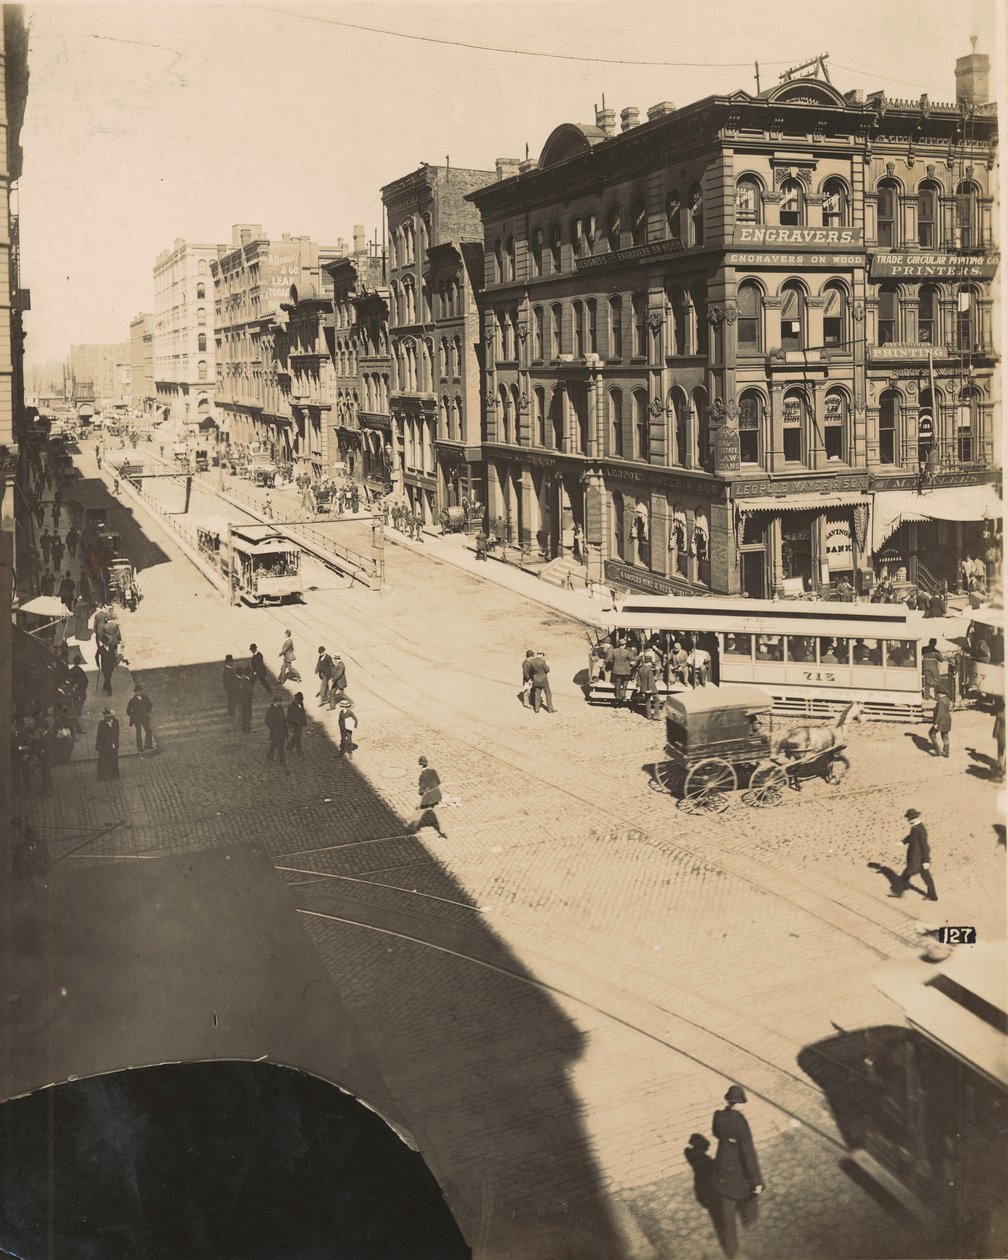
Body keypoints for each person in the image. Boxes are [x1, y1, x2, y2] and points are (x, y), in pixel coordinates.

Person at [712, 1084, 764, 1259]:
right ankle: (749, 1220)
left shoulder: (718, 1116)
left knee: (727, 1216)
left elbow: (716, 1133)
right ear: (740, 1104)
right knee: (750, 1195)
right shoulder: (742, 1124)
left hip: (722, 1170)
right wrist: (757, 1181)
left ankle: (730, 1249)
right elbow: (748, 1154)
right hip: (739, 1173)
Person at [891, 808, 938, 901]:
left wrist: (926, 861)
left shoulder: (920, 830)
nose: (908, 821)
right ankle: (933, 896)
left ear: (915, 818)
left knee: (906, 875)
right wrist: (903, 842)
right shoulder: (915, 827)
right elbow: (911, 837)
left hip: (918, 859)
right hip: (916, 858)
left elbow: (925, 846)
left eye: (910, 819)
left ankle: (899, 892)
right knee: (926, 878)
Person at [406, 756, 447, 838]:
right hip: (436, 795)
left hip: (428, 798)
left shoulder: (422, 775)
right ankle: (443, 831)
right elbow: (438, 782)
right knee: (439, 813)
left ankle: (412, 828)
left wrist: (421, 793)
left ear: (420, 765)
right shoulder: (433, 771)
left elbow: (422, 790)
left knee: (420, 812)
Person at [126, 684, 154, 752]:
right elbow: (128, 710)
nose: (137, 693)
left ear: (141, 691)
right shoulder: (132, 701)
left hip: (144, 717)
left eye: (138, 691)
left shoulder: (145, 698)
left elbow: (150, 705)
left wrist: (148, 711)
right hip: (137, 719)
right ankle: (140, 747)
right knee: (139, 732)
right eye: (136, 691)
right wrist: (133, 716)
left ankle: (148, 745)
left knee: (148, 730)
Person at [635, 650, 661, 721]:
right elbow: (650, 680)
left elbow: (638, 679)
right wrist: (650, 689)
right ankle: (656, 715)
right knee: (657, 700)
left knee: (647, 701)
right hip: (651, 688)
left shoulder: (640, 669)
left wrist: (639, 687)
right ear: (648, 662)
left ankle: (648, 716)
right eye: (650, 662)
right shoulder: (649, 669)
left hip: (643, 688)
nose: (651, 664)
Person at [95, 708, 120, 781]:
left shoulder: (116, 722)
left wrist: (114, 743)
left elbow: (116, 733)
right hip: (104, 745)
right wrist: (98, 746)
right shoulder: (102, 724)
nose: (106, 719)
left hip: (113, 744)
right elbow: (99, 735)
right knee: (103, 760)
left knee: (113, 759)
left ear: (111, 717)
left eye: (108, 717)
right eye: (105, 717)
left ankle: (114, 773)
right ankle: (102, 775)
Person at [929, 687, 953, 759]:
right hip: (947, 720)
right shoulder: (947, 699)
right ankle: (946, 752)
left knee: (931, 734)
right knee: (945, 735)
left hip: (941, 721)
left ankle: (937, 751)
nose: (937, 694)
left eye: (937, 693)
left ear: (940, 693)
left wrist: (936, 723)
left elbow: (940, 713)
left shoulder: (940, 702)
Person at [265, 696, 288, 766]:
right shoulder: (270, 710)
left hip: (281, 730)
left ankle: (269, 755)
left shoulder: (280, 708)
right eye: (278, 702)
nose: (279, 703)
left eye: (280, 702)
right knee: (280, 746)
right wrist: (273, 727)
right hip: (275, 732)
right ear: (274, 701)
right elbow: (267, 721)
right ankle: (283, 761)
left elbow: (283, 718)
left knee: (275, 744)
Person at [530, 650, 555, 714]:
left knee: (537, 694)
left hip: (536, 680)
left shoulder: (532, 661)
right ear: (540, 654)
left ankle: (536, 709)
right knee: (548, 694)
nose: (543, 657)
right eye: (542, 655)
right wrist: (548, 665)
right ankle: (550, 709)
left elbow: (531, 670)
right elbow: (547, 670)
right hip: (544, 680)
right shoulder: (543, 662)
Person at [611, 637, 633, 704]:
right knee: (625, 681)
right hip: (625, 670)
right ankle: (623, 694)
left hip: (616, 670)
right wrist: (640, 656)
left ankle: (617, 697)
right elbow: (633, 659)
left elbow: (610, 659)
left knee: (618, 683)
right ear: (624, 644)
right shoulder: (627, 652)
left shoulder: (614, 651)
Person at [285, 692, 306, 760]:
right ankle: (300, 754)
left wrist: (304, 721)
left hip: (300, 724)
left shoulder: (301, 703)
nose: (299, 702)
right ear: (295, 699)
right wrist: (290, 727)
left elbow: (303, 712)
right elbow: (289, 718)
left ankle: (289, 747)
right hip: (294, 726)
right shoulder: (291, 706)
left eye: (300, 701)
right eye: (298, 701)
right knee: (297, 739)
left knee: (296, 737)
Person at [235, 668, 253, 733]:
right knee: (247, 714)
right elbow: (249, 691)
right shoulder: (247, 681)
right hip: (247, 700)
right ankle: (247, 728)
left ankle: (244, 728)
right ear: (249, 674)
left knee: (244, 714)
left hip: (243, 700)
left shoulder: (242, 680)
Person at [222, 653, 238, 718]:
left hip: (231, 688)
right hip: (231, 688)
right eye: (231, 661)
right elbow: (227, 680)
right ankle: (231, 713)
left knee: (232, 700)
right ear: (228, 662)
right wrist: (235, 684)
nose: (232, 663)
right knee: (232, 700)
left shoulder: (229, 669)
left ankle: (231, 713)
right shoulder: (227, 670)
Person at [993, 698, 1005, 777]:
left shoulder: (1000, 714)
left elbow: (996, 727)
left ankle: (1000, 764)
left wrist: (994, 735)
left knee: (1000, 751)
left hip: (1001, 736)